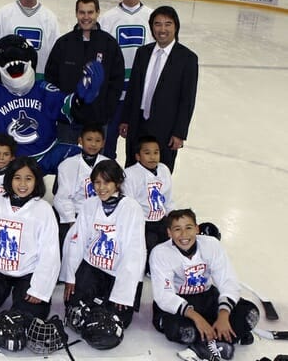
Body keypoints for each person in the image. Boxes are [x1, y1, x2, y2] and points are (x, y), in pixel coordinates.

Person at [0, 34, 106, 176]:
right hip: (9, 161)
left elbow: (69, 108)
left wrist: (82, 99)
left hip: (48, 153)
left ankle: (72, 203)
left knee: (86, 161)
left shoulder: (44, 89)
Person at [150, 209, 259, 361]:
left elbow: (228, 281)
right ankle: (225, 339)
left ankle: (206, 344)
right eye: (177, 229)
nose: (184, 235)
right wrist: (196, 318)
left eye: (188, 227)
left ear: (197, 228)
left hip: (207, 297)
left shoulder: (211, 245)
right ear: (169, 232)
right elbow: (164, 296)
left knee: (250, 314)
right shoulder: (160, 253)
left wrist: (223, 315)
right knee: (185, 331)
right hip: (179, 303)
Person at [0, 157, 60, 320]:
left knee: (27, 318)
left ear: (36, 181)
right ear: (9, 179)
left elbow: (50, 254)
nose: (22, 184)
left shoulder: (44, 210)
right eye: (17, 178)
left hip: (28, 271)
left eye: (28, 179)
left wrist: (39, 289)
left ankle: (22, 293)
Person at [61, 159, 145, 329]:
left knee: (118, 320)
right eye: (97, 182)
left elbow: (134, 252)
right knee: (74, 308)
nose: (101, 187)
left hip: (118, 272)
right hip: (93, 267)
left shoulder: (131, 208)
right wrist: (71, 277)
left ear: (118, 182)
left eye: (107, 182)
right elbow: (77, 241)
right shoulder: (89, 204)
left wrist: (123, 292)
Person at [119, 6, 198, 172]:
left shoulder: (187, 59)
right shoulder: (143, 52)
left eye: (168, 24)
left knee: (160, 170)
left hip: (166, 127)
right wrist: (126, 119)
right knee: (132, 166)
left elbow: (187, 100)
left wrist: (179, 132)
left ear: (176, 27)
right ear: (152, 27)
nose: (162, 29)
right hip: (138, 122)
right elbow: (133, 89)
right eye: (158, 24)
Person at [45, 0, 124, 145]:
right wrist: (62, 108)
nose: (86, 17)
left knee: (94, 167)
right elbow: (51, 79)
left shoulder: (109, 44)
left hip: (97, 122)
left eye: (90, 12)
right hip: (68, 121)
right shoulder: (63, 43)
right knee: (65, 165)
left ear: (97, 13)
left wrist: (105, 112)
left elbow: (117, 81)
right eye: (82, 12)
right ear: (76, 14)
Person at [99, 0, 154, 160]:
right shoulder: (107, 18)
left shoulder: (151, 17)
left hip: (140, 94)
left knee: (137, 145)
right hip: (114, 95)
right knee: (107, 144)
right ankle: (108, 181)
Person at [0, 0, 60, 79]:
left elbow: (55, 52)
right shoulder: (4, 13)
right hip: (9, 76)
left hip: (39, 77)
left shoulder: (50, 18)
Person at [53, 124, 108, 252]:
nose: (93, 144)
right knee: (68, 248)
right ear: (80, 140)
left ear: (103, 143)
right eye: (89, 139)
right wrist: (72, 221)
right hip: (76, 214)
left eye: (97, 140)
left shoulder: (109, 164)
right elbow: (62, 197)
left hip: (100, 214)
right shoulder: (68, 164)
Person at [123, 135, 174, 271]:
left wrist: (173, 220)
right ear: (138, 156)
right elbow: (128, 205)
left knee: (172, 245)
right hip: (142, 223)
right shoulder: (130, 174)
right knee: (149, 246)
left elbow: (168, 199)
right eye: (147, 153)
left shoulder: (164, 169)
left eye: (156, 152)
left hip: (161, 220)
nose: (152, 157)